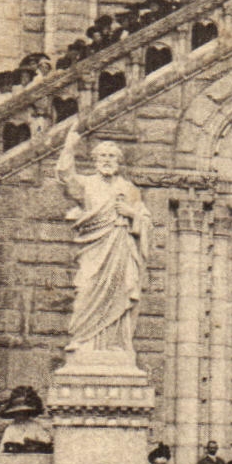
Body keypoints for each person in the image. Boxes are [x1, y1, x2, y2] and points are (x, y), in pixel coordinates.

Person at [54, 129, 151, 355]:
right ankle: (83, 340)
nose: (107, 161)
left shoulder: (129, 189)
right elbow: (65, 175)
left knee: (120, 291)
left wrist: (132, 214)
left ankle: (114, 344)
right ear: (95, 160)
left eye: (111, 157)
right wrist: (69, 147)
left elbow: (145, 219)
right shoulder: (87, 184)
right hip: (94, 247)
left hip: (120, 246)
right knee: (87, 288)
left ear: (119, 161)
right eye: (103, 157)